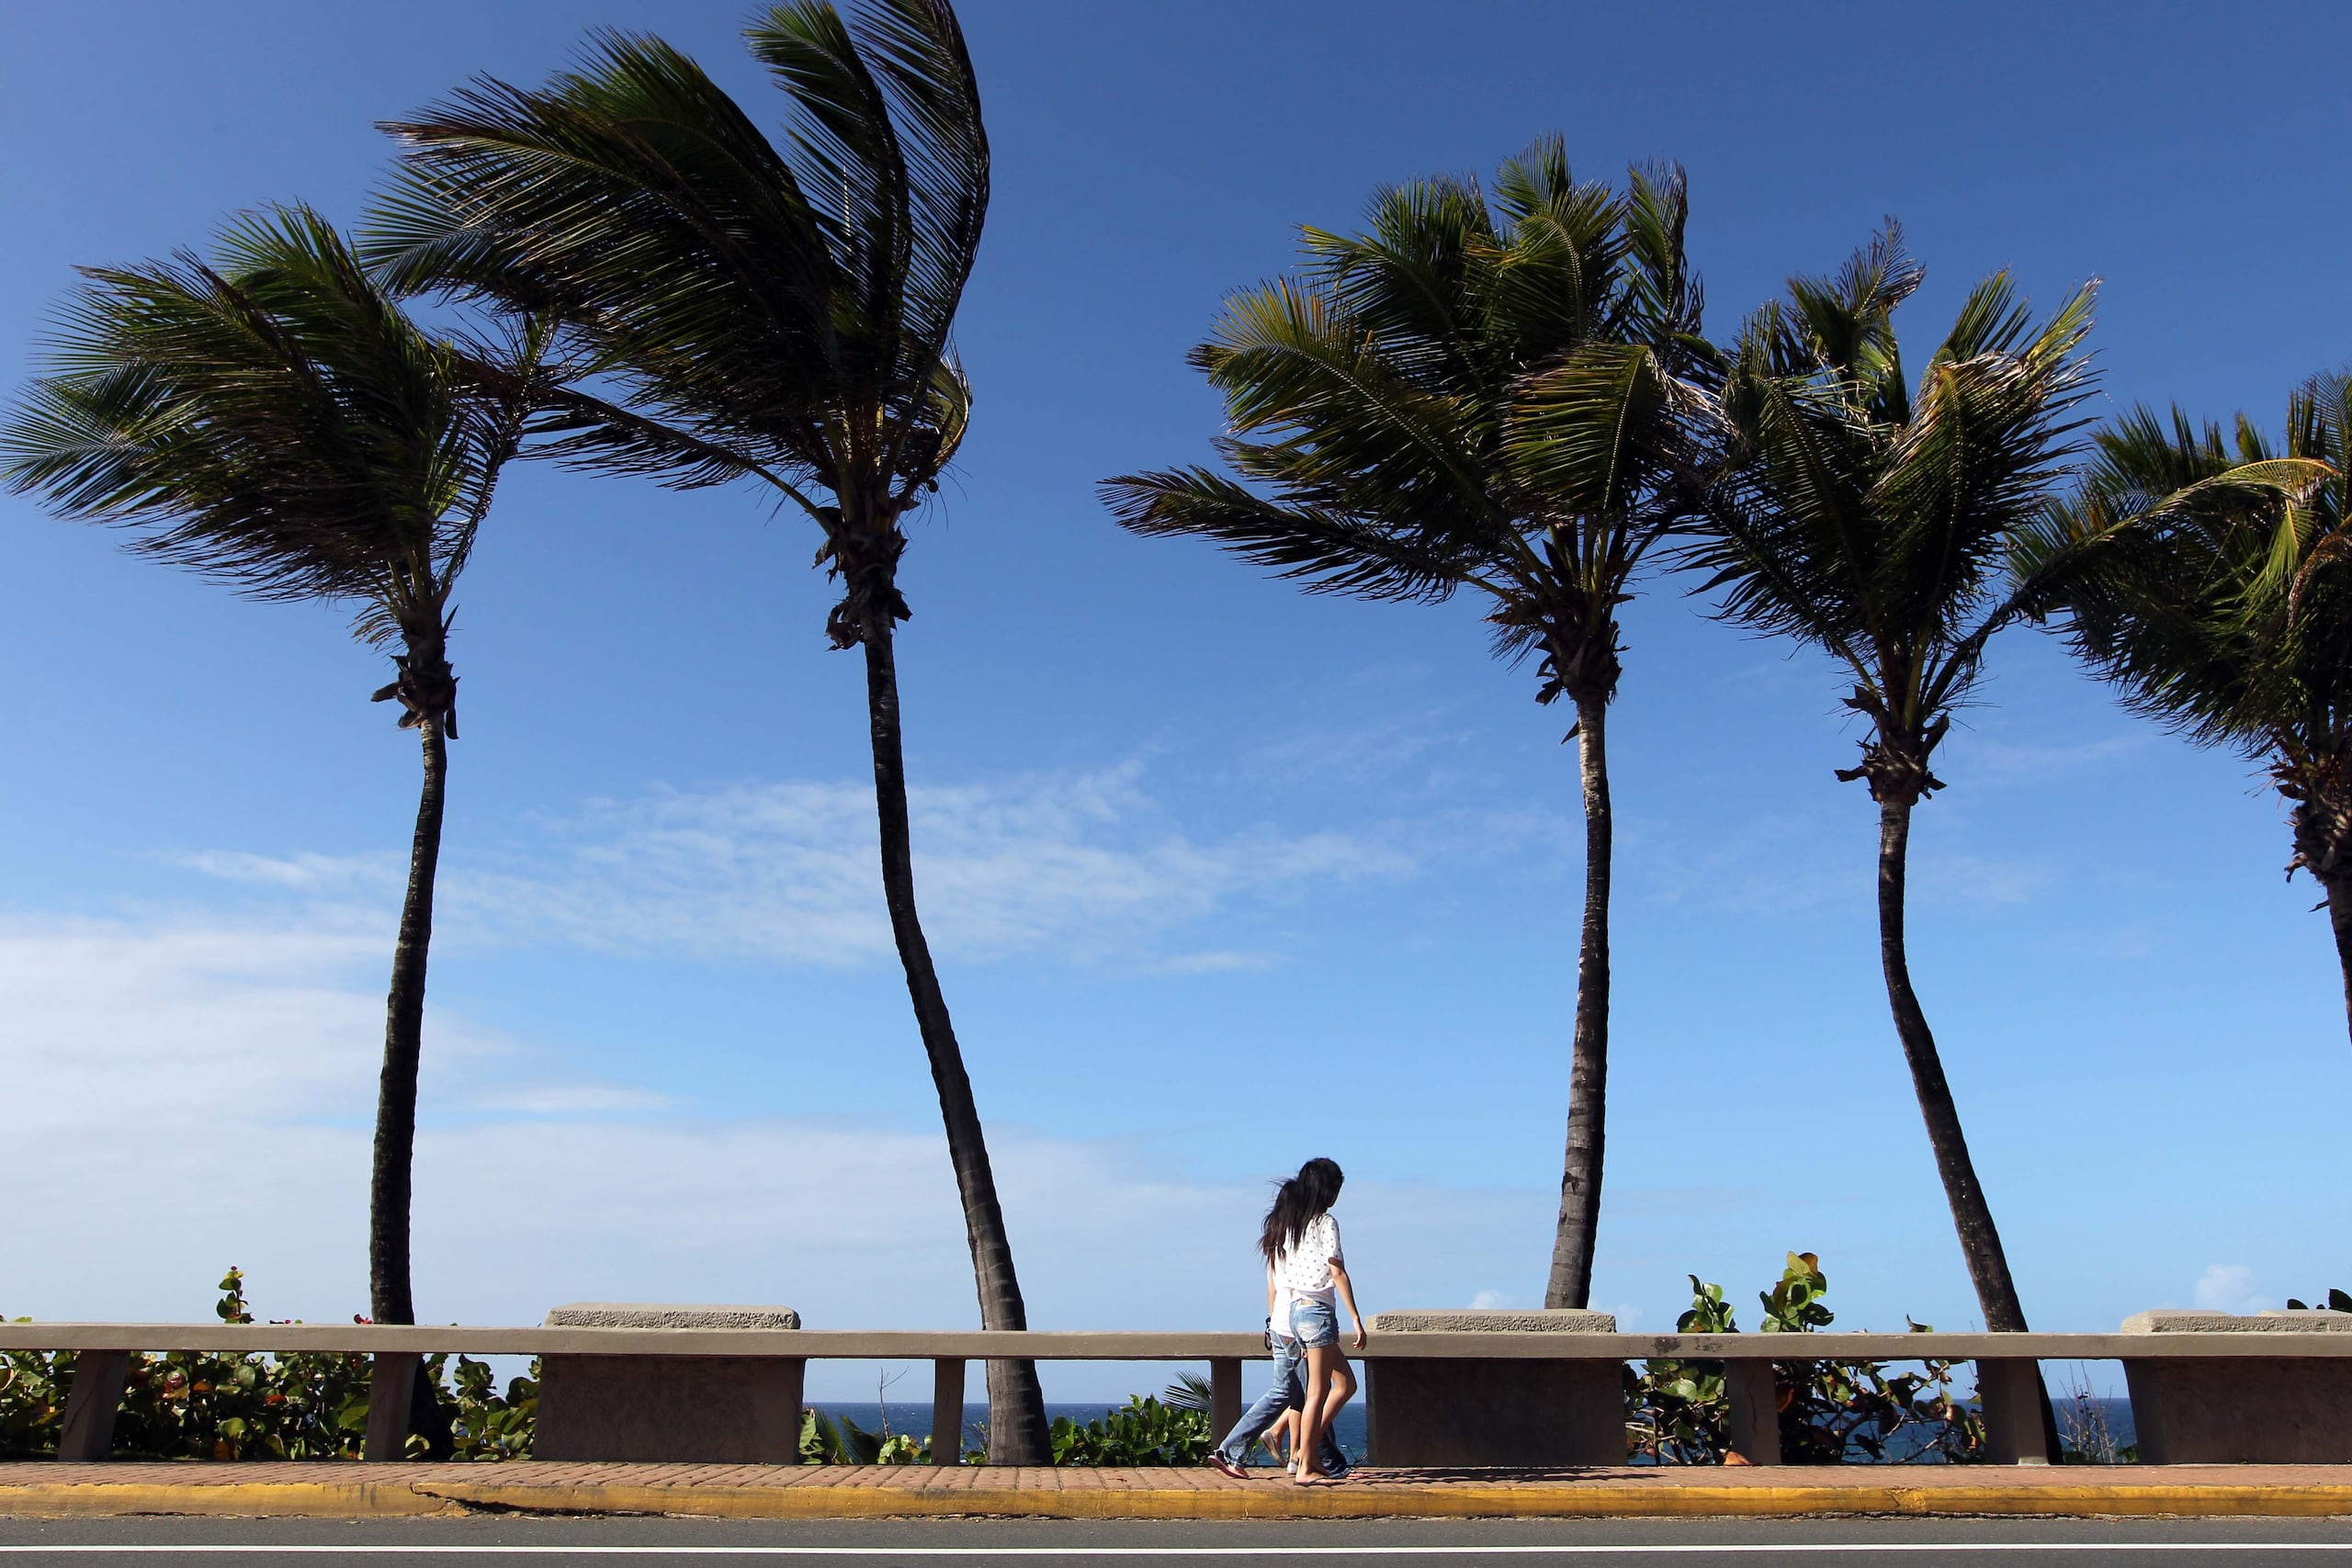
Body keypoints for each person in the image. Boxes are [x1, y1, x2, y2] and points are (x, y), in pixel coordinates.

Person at [1206, 1250, 1350, 1479]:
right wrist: (1301, 1337)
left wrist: (1274, 1324)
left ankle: (1233, 1451)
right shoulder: (1298, 1245)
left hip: (1279, 1327)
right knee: (1315, 1394)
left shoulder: (1276, 1246)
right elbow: (1299, 1290)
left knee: (1288, 1393)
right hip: (1295, 1329)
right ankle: (1325, 1462)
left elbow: (1272, 1290)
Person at [1268, 1156, 1363, 1483]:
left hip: (1294, 1312)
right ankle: (1305, 1464)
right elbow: (1336, 1270)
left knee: (1345, 1384)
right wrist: (1355, 1318)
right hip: (1317, 1312)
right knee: (1318, 1392)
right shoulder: (1325, 1223)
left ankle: (1302, 1452)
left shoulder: (1294, 1224)